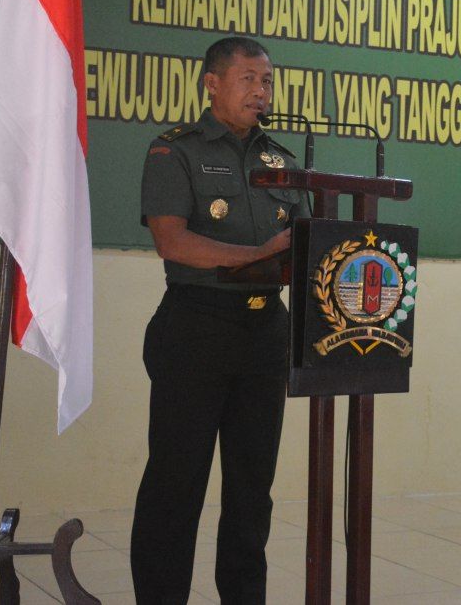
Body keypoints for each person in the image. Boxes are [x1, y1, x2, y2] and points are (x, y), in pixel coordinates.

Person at [130, 36, 306, 604]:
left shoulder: (283, 162)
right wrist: (258, 254)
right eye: (248, 79)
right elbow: (173, 242)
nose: (261, 92)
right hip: (196, 330)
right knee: (176, 485)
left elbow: (303, 246)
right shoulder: (174, 151)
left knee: (253, 492)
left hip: (264, 335)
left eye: (267, 82)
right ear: (212, 83)